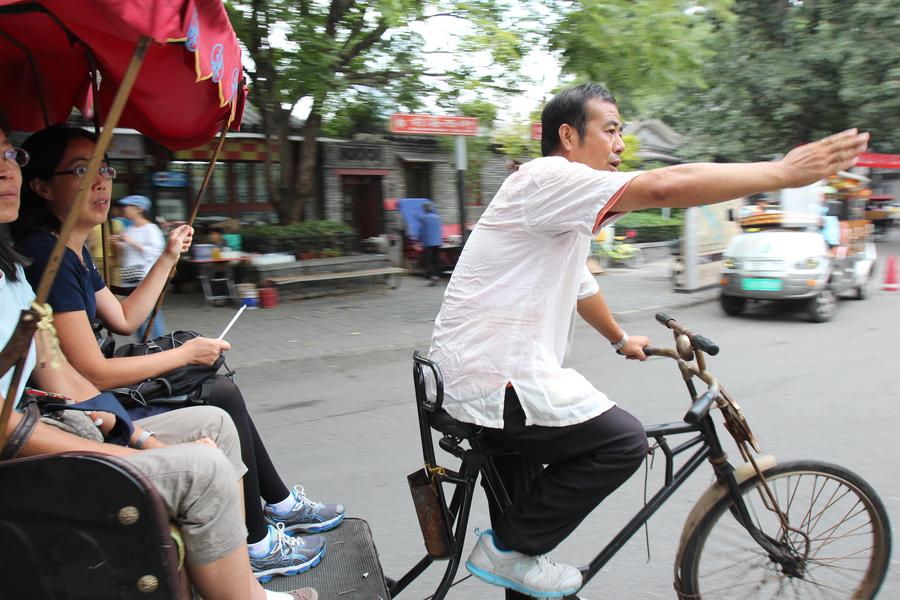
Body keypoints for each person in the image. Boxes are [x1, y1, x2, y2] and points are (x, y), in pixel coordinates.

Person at [427, 82, 868, 598]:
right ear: (568, 136)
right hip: (496, 383)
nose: (620, 144)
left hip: (478, 382)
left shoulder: (554, 196)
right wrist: (785, 173)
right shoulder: (551, 176)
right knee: (622, 442)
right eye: (610, 130)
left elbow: (579, 282)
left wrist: (619, 338)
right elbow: (665, 186)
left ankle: (512, 555)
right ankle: (503, 550)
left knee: (527, 550)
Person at [0, 115, 317, 600]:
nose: (102, 180)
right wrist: (142, 429)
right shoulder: (49, 256)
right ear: (44, 187)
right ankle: (255, 550)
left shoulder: (24, 267)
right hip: (39, 441)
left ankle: (249, 558)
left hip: (70, 413)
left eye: (9, 154)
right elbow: (90, 371)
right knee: (212, 413)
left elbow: (116, 324)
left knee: (216, 419)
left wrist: (168, 256)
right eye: (83, 171)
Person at [111, 194, 167, 339]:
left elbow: (156, 253)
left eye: (127, 206)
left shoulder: (151, 229)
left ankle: (156, 347)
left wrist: (130, 242)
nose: (124, 209)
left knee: (149, 316)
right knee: (135, 316)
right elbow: (126, 253)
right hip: (130, 278)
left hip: (145, 279)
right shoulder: (129, 229)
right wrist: (118, 243)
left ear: (139, 209)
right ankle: (143, 348)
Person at [419, 202, 443, 285]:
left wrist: (420, 239)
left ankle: (434, 277)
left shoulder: (424, 218)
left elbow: (422, 231)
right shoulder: (437, 217)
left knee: (430, 260)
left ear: (425, 209)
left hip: (429, 243)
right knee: (436, 259)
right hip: (437, 242)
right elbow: (440, 230)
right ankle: (437, 275)